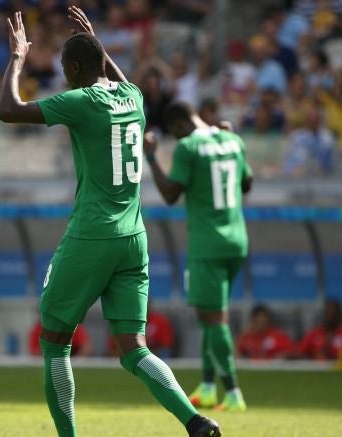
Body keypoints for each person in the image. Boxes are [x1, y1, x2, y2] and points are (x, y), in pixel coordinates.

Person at [0, 8, 220, 437]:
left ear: (76, 68)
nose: (63, 76)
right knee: (134, 348)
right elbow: (118, 79)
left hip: (92, 234)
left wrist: (18, 58)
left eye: (65, 69)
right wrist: (97, 43)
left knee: (55, 341)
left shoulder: (82, 102)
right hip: (133, 237)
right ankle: (195, 421)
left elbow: (9, 109)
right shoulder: (133, 96)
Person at [143, 102, 253, 412]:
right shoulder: (233, 140)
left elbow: (170, 194)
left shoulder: (188, 147)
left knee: (215, 319)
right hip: (237, 240)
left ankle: (232, 392)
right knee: (211, 316)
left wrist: (151, 155)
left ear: (178, 127)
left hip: (207, 244)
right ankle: (207, 386)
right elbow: (247, 184)